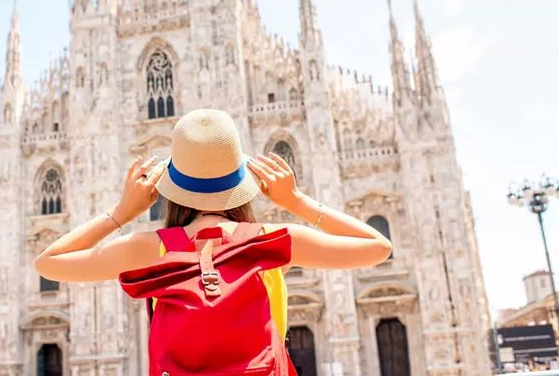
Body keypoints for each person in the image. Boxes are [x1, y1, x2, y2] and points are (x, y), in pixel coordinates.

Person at [34, 109, 392, 368]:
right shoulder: (271, 241)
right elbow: (378, 247)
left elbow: (49, 262)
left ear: (173, 190)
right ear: (241, 186)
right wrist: (297, 201)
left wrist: (121, 213)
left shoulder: (151, 247)